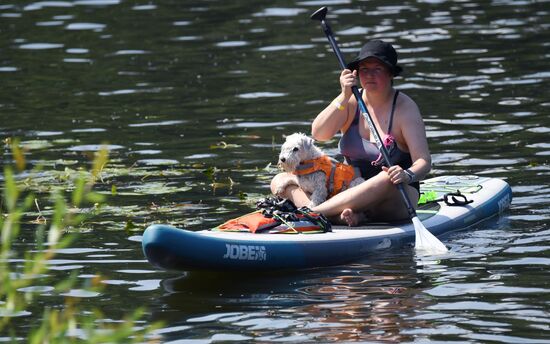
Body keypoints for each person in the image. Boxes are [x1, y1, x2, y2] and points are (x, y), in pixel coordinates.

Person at [271, 39, 431, 226]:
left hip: (395, 195)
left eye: (377, 69)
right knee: (280, 179)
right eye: (364, 69)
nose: (369, 75)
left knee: (384, 177)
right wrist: (344, 95)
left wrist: (406, 174)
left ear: (390, 73)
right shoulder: (351, 102)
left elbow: (424, 162)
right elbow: (319, 134)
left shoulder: (405, 108)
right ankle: (337, 215)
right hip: (348, 189)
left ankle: (313, 212)